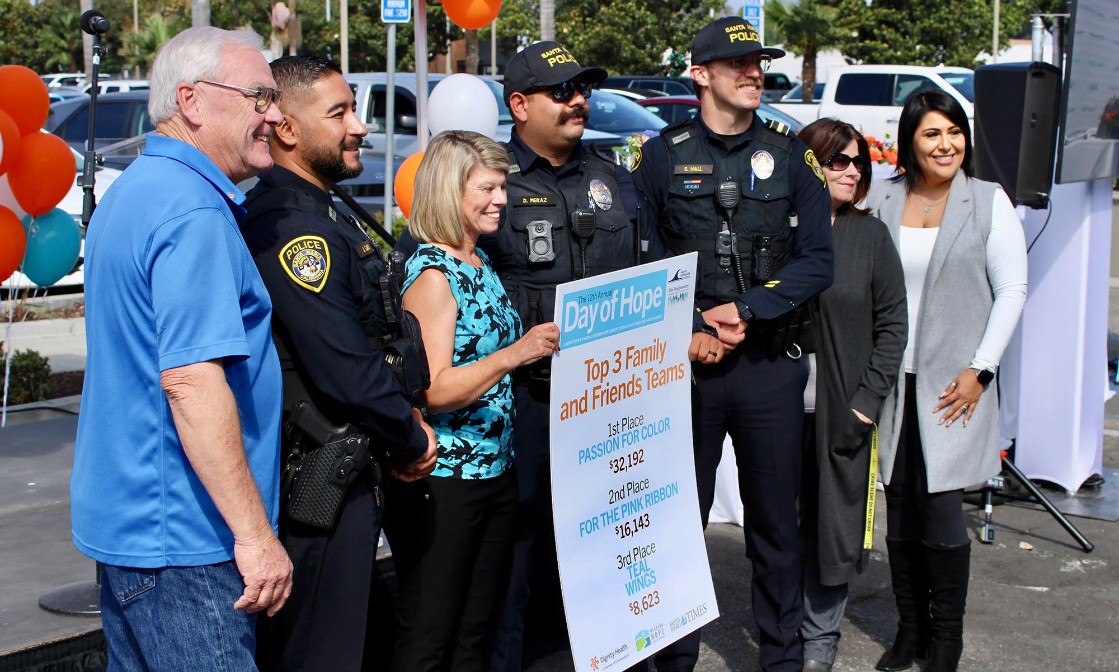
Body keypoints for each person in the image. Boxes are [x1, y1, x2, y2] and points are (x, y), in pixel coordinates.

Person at [395, 40, 686, 670]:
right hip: (520, 407)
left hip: (605, 406)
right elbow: (433, 332)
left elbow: (650, 274)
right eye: (562, 91)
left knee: (602, 555)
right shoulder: (486, 186)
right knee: (507, 575)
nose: (578, 100)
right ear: (519, 104)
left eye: (583, 89)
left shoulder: (616, 177)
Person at [70, 27, 294, 670]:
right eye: (259, 96)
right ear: (191, 101)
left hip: (139, 528)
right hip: (186, 542)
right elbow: (191, 383)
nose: (275, 115)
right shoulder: (191, 209)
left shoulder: (139, 191)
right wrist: (254, 537)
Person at [631, 17, 834, 672]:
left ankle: (781, 660)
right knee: (676, 524)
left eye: (759, 62)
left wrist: (743, 310)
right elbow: (642, 253)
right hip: (684, 371)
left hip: (768, 366)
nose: (754, 72)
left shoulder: (791, 151)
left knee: (775, 529)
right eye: (738, 63)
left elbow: (816, 261)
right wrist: (691, 323)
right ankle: (673, 659)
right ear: (700, 74)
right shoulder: (661, 154)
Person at [239, 55, 437, 671]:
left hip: (348, 467)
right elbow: (344, 365)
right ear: (288, 130)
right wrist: (408, 436)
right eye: (340, 112)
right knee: (321, 651)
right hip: (319, 478)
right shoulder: (297, 229)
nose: (360, 126)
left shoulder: (327, 208)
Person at [864, 89, 1027, 672]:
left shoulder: (988, 202)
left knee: (940, 514)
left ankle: (947, 641)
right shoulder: (882, 197)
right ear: (910, 139)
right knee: (900, 509)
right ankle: (910, 631)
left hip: (955, 386)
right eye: (932, 133)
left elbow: (1011, 292)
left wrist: (981, 369)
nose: (946, 144)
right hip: (890, 382)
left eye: (955, 131)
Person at [388, 129, 560, 671]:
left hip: (496, 473)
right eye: (487, 188)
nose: (501, 200)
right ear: (448, 191)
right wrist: (516, 354)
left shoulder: (480, 263)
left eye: (503, 187)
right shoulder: (435, 276)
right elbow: (434, 390)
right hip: (447, 480)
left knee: (474, 633)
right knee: (430, 634)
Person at [796, 119, 908, 672]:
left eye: (858, 161)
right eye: (838, 159)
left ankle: (819, 645)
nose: (852, 169)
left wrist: (866, 402)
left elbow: (894, 327)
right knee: (780, 529)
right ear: (809, 163)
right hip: (777, 414)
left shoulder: (870, 236)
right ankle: (783, 635)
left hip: (843, 414)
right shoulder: (779, 230)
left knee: (834, 532)